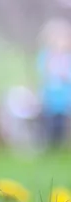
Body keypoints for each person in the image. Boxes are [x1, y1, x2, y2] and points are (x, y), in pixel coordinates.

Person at [37, 19, 71, 148]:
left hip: (65, 96)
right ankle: (51, 145)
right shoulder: (45, 56)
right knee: (51, 122)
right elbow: (44, 73)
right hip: (50, 97)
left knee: (63, 121)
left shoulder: (68, 57)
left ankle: (63, 144)